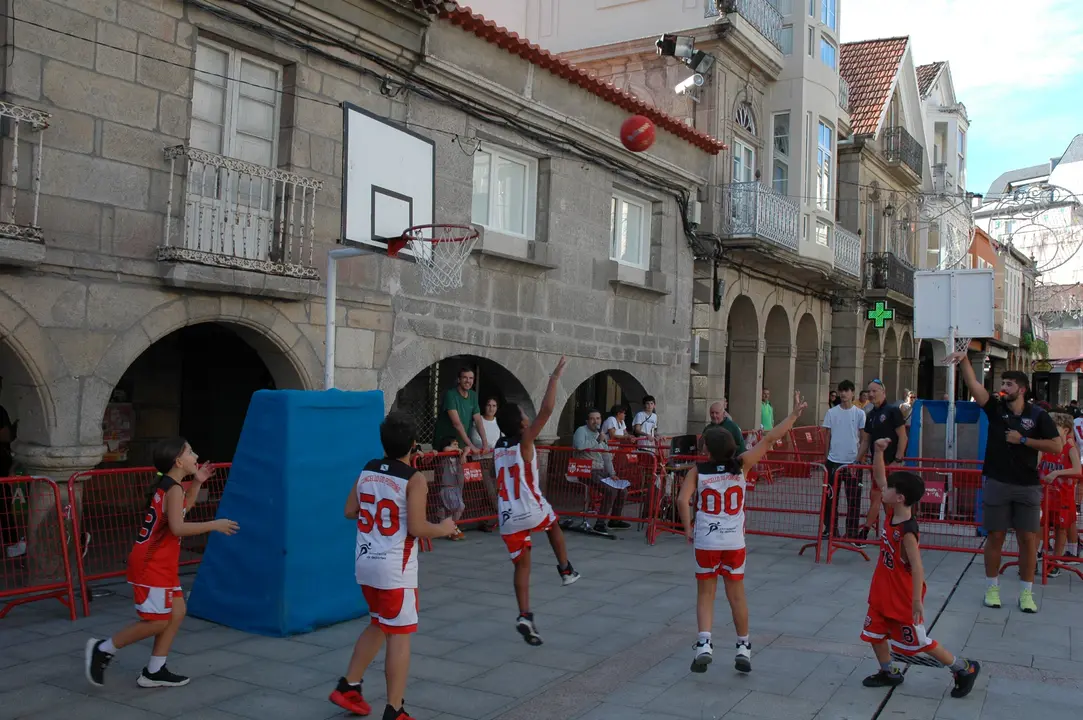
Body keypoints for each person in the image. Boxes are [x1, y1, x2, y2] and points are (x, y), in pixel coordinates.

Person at [328, 411, 459, 720]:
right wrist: (444, 527)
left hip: (365, 562)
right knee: (399, 635)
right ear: (414, 445)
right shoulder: (413, 479)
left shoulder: (368, 470)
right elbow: (416, 527)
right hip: (393, 570)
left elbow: (349, 510)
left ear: (383, 442)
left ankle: (350, 685)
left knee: (378, 623)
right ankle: (395, 709)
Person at [85, 438, 239, 688]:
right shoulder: (173, 488)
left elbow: (182, 512)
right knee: (157, 621)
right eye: (190, 451)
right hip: (151, 564)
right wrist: (215, 525)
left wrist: (198, 482)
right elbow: (178, 528)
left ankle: (154, 671)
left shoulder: (171, 485)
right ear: (178, 461)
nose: (196, 454)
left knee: (177, 612)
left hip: (161, 563)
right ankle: (103, 648)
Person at [678, 391, 808, 675]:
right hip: (734, 540)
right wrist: (794, 415)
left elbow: (681, 500)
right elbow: (770, 438)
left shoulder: (697, 471)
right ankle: (743, 646)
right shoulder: (742, 465)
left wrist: (688, 528)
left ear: (707, 450)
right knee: (736, 594)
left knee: (705, 592)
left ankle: (704, 643)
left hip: (707, 539)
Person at [859, 438, 980, 697]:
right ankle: (888, 671)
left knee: (920, 642)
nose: (884, 488)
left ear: (900, 497)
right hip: (882, 590)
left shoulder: (907, 532)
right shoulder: (893, 512)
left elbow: (917, 568)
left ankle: (962, 668)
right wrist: (879, 452)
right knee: (875, 633)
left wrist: (916, 601)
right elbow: (880, 477)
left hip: (902, 596)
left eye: (890, 488)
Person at [946, 353, 1061, 613]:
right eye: (1003, 383)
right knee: (995, 536)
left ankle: (1026, 594)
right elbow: (974, 384)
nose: (1003, 388)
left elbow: (1057, 445)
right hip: (997, 482)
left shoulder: (1038, 416)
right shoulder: (995, 408)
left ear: (1021, 389)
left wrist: (1023, 440)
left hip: (1028, 485)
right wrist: (964, 359)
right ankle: (992, 588)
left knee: (1028, 539)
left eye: (1008, 384)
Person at [493, 356, 580, 645]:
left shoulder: (498, 448)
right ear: (520, 422)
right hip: (530, 507)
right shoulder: (525, 440)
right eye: (522, 412)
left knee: (522, 567)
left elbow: (489, 479)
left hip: (507, 515)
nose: (527, 415)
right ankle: (565, 569)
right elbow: (547, 409)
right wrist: (554, 378)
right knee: (554, 525)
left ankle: (525, 615)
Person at [854, 379, 908, 542]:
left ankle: (864, 532)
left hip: (890, 464)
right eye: (869, 391)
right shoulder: (870, 415)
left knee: (877, 496)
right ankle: (892, 531)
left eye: (874, 391)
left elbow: (903, 437)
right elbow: (866, 440)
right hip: (876, 465)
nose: (871, 394)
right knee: (883, 499)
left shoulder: (893, 411)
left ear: (883, 392)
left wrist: (898, 459)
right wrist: (857, 460)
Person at [821, 380, 869, 538]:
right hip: (833, 461)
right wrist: (826, 458)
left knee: (854, 498)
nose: (843, 394)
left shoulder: (860, 413)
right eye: (841, 391)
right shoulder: (831, 413)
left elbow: (864, 438)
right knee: (830, 498)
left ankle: (851, 531)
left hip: (852, 462)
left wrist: (859, 460)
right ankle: (831, 528)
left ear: (853, 393)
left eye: (846, 391)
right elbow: (827, 435)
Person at [572, 410, 630, 536]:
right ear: (587, 421)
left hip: (601, 470)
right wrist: (598, 440)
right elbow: (579, 446)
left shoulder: (601, 434)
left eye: (598, 418)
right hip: (585, 469)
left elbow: (606, 456)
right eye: (592, 419)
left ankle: (614, 520)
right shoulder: (581, 431)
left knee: (622, 489)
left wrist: (612, 473)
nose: (595, 421)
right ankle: (600, 523)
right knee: (610, 490)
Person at [1038, 413, 1081, 574]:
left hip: (1063, 495)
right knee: (1041, 526)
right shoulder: (1046, 445)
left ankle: (1055, 561)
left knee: (1060, 529)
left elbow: (1078, 470)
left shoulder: (1070, 447)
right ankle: (1038, 555)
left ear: (1065, 430)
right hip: (1046, 494)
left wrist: (1057, 473)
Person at [436, 439, 469, 541]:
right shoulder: (444, 457)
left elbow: (468, 448)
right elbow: (446, 449)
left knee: (453, 509)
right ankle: (451, 527)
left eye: (457, 444)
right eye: (454, 444)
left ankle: (451, 527)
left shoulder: (458, 456)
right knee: (459, 506)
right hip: (447, 487)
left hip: (457, 487)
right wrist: (456, 449)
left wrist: (464, 454)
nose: (457, 446)